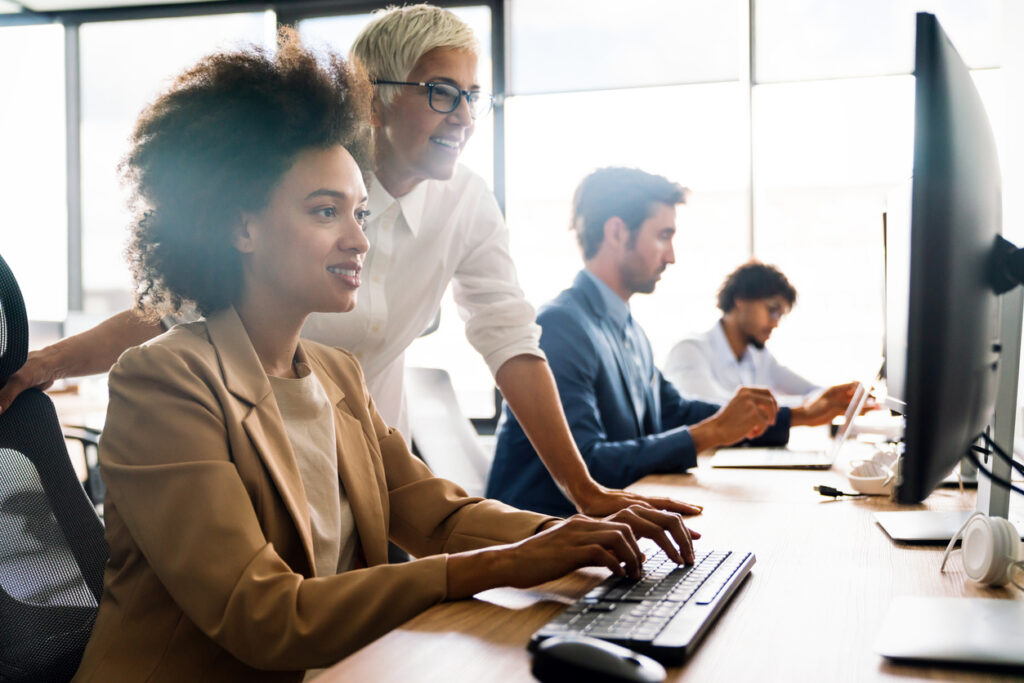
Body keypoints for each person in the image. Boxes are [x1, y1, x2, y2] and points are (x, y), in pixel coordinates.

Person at [71, 34, 698, 682]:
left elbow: (442, 517)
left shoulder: (336, 375)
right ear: (241, 228)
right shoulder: (164, 382)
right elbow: (262, 613)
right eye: (325, 211)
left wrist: (574, 537)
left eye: (361, 212)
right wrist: (507, 563)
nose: (359, 239)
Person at [0, 4, 697, 522]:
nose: (462, 114)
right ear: (377, 97)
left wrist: (586, 494)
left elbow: (511, 340)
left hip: (366, 469)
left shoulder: (468, 203)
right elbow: (171, 310)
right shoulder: (302, 191)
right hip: (253, 462)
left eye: (472, 96)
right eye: (440, 92)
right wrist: (45, 363)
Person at [486, 168, 857, 516]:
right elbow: (588, 466)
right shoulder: (560, 326)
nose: (672, 256)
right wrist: (711, 432)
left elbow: (675, 412)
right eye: (663, 235)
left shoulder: (628, 328)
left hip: (604, 531)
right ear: (617, 233)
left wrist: (799, 416)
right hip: (543, 541)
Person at [663, 261, 857, 410]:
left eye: (780, 315)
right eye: (772, 310)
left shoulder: (760, 357)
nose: (775, 322)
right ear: (740, 300)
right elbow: (712, 411)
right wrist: (805, 405)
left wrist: (841, 397)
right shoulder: (690, 351)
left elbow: (812, 392)